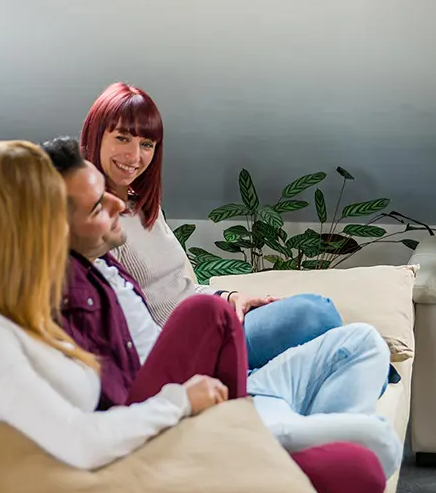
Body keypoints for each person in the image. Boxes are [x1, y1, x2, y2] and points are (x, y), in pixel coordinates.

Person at [0, 140, 397, 493]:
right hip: (127, 453)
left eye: (148, 142)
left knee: (355, 367)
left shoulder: (44, 291)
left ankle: (273, 424)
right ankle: (274, 425)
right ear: (35, 228)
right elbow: (81, 438)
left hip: (155, 431)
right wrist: (181, 402)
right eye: (96, 205)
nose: (121, 200)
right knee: (365, 456)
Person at [78, 83, 342, 369]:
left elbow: (181, 289)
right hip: (189, 344)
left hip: (213, 319)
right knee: (316, 315)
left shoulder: (142, 207)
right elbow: (123, 323)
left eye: (146, 144)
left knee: (319, 313)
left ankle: (350, 359)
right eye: (122, 138)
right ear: (96, 136)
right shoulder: (89, 224)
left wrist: (229, 297)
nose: (135, 156)